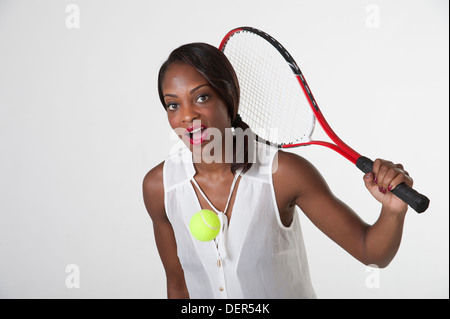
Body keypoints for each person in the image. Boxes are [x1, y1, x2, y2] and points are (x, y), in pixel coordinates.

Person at [142, 43, 413, 299]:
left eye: (201, 97)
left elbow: (372, 252)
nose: (187, 116)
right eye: (173, 105)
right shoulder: (159, 187)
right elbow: (178, 286)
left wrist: (392, 210)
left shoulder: (283, 174)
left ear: (229, 99)